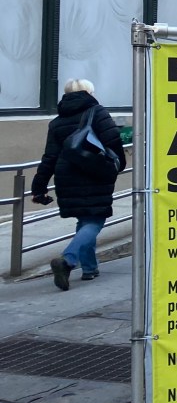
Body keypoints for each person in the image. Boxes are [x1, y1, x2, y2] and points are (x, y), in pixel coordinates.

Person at [31, 78, 127, 291]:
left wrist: (38, 186)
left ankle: (90, 268)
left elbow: (50, 157)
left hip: (66, 176)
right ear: (89, 92)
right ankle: (67, 260)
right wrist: (118, 165)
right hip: (94, 174)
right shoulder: (98, 112)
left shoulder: (57, 121)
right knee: (95, 220)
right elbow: (113, 142)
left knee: (85, 220)